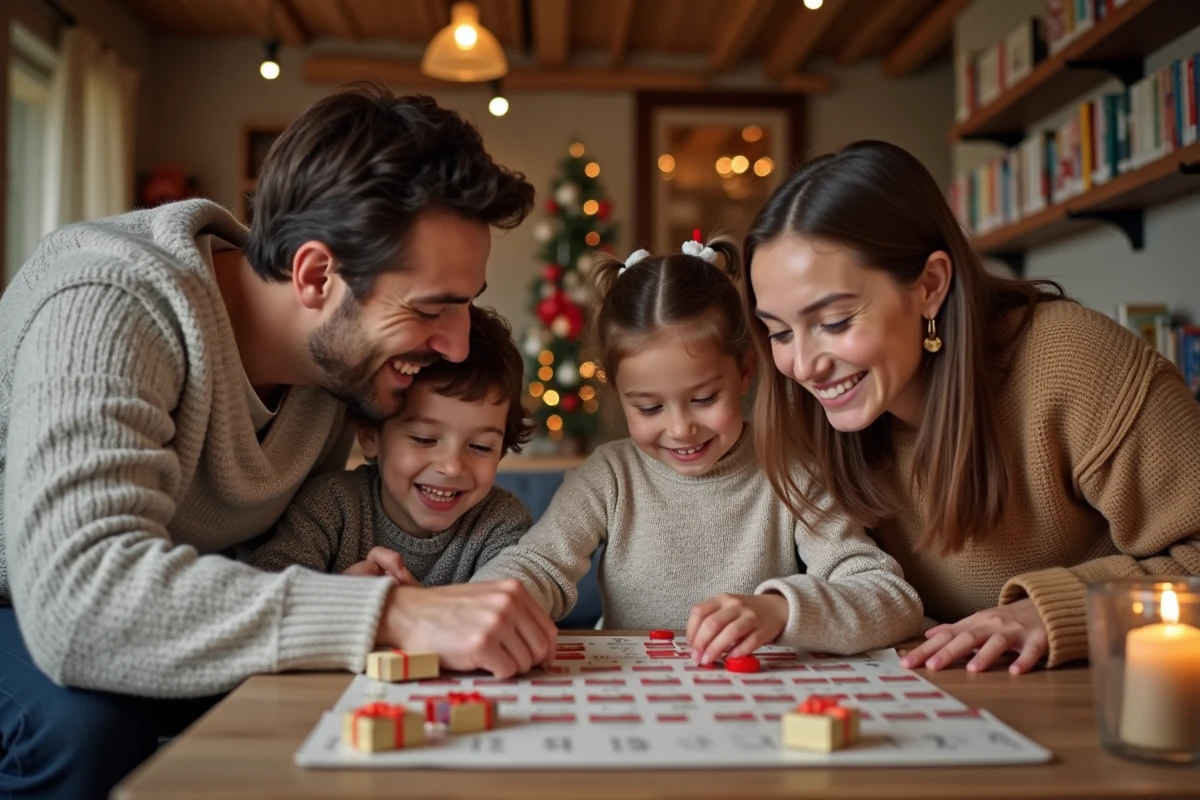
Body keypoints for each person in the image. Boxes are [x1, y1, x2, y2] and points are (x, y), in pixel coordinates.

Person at [0, 85, 557, 799]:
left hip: (145, 608)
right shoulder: (111, 299)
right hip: (22, 603)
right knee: (80, 723)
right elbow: (78, 600)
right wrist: (388, 614)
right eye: (431, 308)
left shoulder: (339, 370)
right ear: (317, 274)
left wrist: (341, 598)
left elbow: (254, 580)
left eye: (466, 305)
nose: (454, 346)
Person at [742, 140, 1200, 676]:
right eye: (778, 332)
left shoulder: (1073, 361)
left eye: (836, 322)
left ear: (930, 286)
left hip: (1109, 694)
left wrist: (1049, 612)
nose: (802, 365)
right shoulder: (814, 414)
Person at [473, 238, 923, 664]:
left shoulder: (790, 471)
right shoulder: (609, 475)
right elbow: (537, 565)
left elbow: (891, 598)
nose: (681, 428)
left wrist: (780, 611)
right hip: (635, 696)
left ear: (744, 371)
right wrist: (478, 608)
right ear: (618, 390)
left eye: (704, 399)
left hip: (754, 702)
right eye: (648, 406)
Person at [249, 304, 535, 585]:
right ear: (371, 435)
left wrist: (416, 607)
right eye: (424, 439)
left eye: (481, 447)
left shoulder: (501, 523)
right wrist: (336, 595)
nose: (451, 466)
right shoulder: (331, 506)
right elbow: (265, 588)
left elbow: (509, 608)